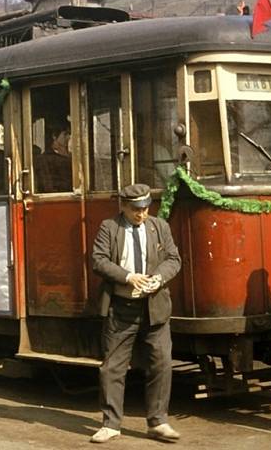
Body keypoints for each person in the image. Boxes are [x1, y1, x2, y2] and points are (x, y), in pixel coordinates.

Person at [90, 183, 182, 444]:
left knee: (161, 363)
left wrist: (159, 278)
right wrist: (128, 276)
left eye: (145, 208)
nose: (141, 214)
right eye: (135, 209)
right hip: (122, 308)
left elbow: (174, 259)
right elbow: (98, 260)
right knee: (113, 368)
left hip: (155, 307)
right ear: (123, 207)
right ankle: (111, 424)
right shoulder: (109, 227)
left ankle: (158, 421)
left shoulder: (159, 226)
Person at [34, 121, 72, 193]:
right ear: (54, 136)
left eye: (69, 134)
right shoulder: (45, 159)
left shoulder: (71, 156)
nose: (68, 137)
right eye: (65, 134)